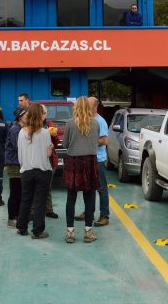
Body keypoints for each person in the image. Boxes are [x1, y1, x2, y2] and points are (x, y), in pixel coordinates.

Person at [62, 96, 100, 243]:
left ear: (76, 107)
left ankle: (70, 232)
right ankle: (88, 232)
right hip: (90, 162)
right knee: (89, 199)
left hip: (74, 162)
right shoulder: (95, 123)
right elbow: (96, 142)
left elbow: (65, 143)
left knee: (71, 199)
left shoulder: (70, 123)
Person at [16, 103, 54, 239]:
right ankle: (37, 231)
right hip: (42, 171)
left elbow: (20, 154)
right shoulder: (44, 133)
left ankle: (21, 227)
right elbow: (47, 154)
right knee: (40, 202)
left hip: (26, 170)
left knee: (26, 199)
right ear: (40, 115)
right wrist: (50, 148)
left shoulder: (21, 132)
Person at [75, 97, 110, 226]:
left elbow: (104, 141)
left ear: (95, 107)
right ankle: (88, 212)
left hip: (98, 160)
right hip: (88, 159)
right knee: (88, 188)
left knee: (101, 189)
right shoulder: (87, 120)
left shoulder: (101, 122)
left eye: (88, 106)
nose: (85, 108)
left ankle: (104, 215)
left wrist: (90, 141)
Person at [4, 107, 26, 228]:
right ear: (21, 117)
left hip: (19, 163)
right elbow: (19, 147)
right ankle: (11, 218)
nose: (28, 116)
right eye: (26, 114)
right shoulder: (15, 130)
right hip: (14, 164)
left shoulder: (21, 128)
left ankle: (17, 216)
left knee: (20, 191)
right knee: (15, 192)